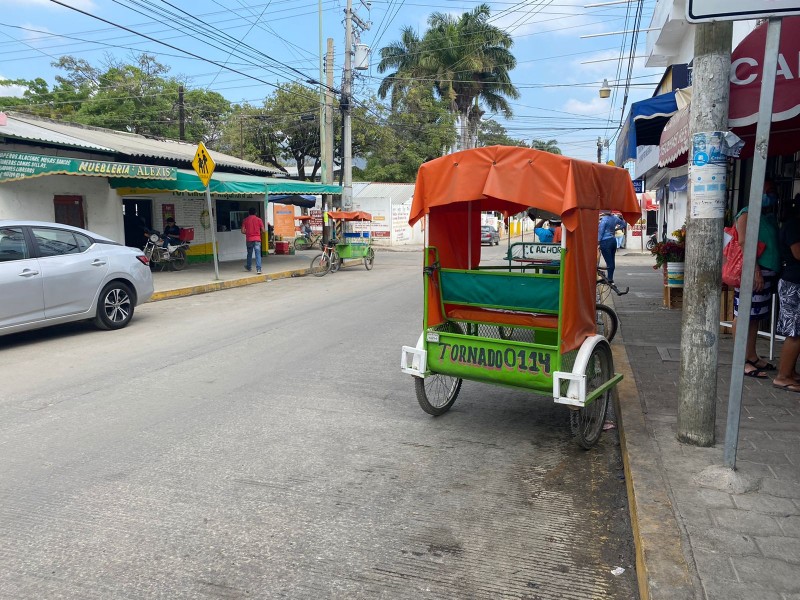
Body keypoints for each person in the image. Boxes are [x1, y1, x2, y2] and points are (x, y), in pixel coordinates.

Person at [733, 181, 781, 379]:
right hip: (752, 273)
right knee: (743, 314)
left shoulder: (766, 216)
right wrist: (755, 270)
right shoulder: (746, 213)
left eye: (773, 192)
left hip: (767, 272)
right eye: (767, 192)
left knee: (755, 317)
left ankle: (751, 355)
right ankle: (740, 361)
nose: (771, 195)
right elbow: (744, 242)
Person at [772, 206, 800, 392]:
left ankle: (790, 372)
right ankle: (782, 376)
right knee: (795, 332)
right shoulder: (794, 226)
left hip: (794, 281)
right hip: (794, 283)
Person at [598, 210, 626, 283]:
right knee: (611, 260)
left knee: (608, 262)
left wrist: (598, 241)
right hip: (613, 240)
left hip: (605, 241)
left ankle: (609, 279)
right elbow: (623, 224)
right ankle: (610, 277)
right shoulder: (615, 218)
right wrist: (616, 229)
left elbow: (601, 232)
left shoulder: (604, 220)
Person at [241, 207, 265, 274]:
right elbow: (263, 230)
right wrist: (258, 233)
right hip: (257, 239)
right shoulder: (259, 220)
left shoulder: (245, 220)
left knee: (249, 253)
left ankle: (248, 267)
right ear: (256, 213)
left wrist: (248, 232)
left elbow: (242, 231)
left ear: (249, 213)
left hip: (249, 239)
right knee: (258, 254)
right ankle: (259, 269)